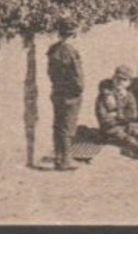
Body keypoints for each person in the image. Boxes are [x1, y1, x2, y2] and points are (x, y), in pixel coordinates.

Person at [46, 15, 84, 171]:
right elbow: (77, 75)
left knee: (58, 126)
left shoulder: (53, 49)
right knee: (67, 127)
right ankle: (65, 161)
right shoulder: (71, 51)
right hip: (70, 94)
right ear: (73, 33)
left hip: (57, 91)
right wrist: (79, 89)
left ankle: (58, 157)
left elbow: (50, 72)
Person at [96, 65, 138, 158]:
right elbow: (104, 118)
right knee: (127, 138)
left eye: (124, 80)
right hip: (110, 129)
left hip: (125, 124)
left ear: (129, 82)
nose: (120, 82)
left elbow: (133, 114)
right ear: (113, 78)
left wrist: (118, 115)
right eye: (117, 78)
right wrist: (122, 117)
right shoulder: (104, 96)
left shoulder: (129, 96)